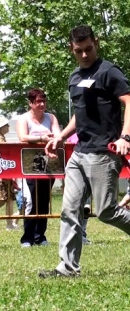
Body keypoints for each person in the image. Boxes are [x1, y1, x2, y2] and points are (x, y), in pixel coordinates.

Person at [41, 25, 130, 278]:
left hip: (104, 153)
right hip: (79, 153)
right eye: (78, 51)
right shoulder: (74, 78)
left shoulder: (108, 71)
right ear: (71, 48)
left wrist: (125, 137)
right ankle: (67, 268)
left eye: (88, 49)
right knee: (70, 209)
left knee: (105, 210)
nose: (84, 55)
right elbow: (79, 116)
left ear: (96, 43)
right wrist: (60, 136)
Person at [16, 88, 61, 247]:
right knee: (31, 202)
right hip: (30, 165)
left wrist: (52, 138)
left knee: (44, 201)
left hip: (50, 165)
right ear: (30, 103)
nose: (42, 104)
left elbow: (57, 135)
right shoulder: (23, 118)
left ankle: (40, 236)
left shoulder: (51, 117)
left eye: (43, 101)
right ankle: (27, 238)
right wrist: (42, 137)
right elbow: (23, 137)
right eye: (38, 102)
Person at [66, 133, 91, 245]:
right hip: (76, 177)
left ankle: (82, 234)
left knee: (85, 209)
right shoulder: (71, 137)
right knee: (74, 208)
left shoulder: (91, 134)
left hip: (89, 176)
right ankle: (74, 236)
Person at [0, 115, 20, 230]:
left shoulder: (3, 138)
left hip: (6, 174)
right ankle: (9, 224)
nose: (8, 126)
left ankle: (10, 224)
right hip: (2, 175)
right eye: (5, 125)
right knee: (3, 199)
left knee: (9, 199)